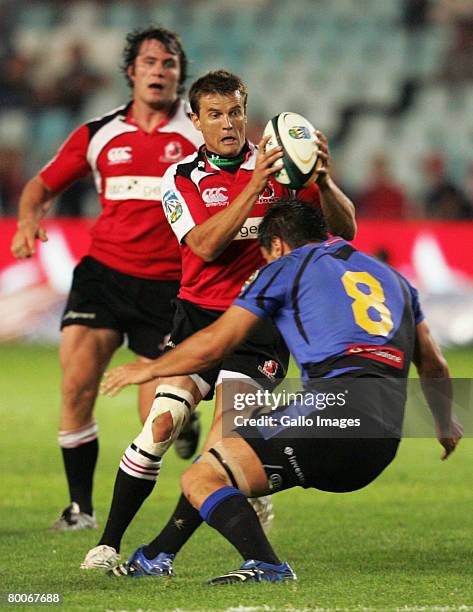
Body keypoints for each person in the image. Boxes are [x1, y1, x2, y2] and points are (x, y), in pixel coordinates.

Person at [102, 198, 462, 583]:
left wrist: (151, 368)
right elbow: (434, 364)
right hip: (386, 435)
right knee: (217, 462)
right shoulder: (394, 278)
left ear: (275, 245)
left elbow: (216, 343)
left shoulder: (286, 267)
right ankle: (157, 555)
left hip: (335, 408)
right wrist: (443, 423)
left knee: (201, 477)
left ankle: (266, 564)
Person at [81, 70, 356, 570]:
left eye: (234, 112)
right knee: (159, 426)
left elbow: (345, 230)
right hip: (197, 321)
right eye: (214, 114)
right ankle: (108, 544)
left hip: (259, 330)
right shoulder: (181, 177)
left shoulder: (280, 170)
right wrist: (253, 189)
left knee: (216, 454)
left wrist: (324, 182)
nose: (227, 124)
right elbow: (204, 246)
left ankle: (163, 553)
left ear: (245, 113)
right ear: (196, 120)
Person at [10, 25, 203, 531]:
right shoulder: (99, 134)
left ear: (180, 76)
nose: (159, 71)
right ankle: (80, 510)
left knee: (156, 419)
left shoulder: (199, 135)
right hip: (103, 276)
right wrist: (30, 219)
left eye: (169, 64)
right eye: (150, 63)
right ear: (131, 72)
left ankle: (186, 421)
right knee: (76, 386)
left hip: (169, 286)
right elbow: (41, 184)